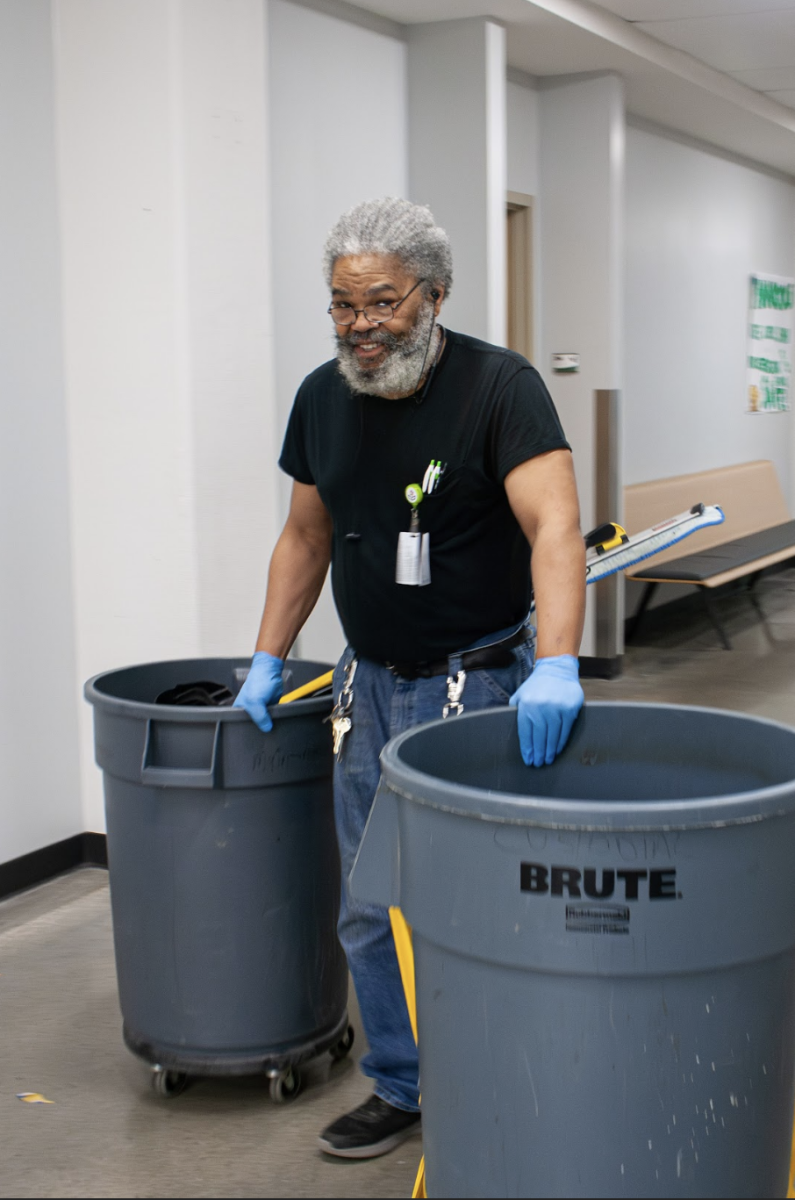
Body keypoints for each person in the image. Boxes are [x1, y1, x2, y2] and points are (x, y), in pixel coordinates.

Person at [234, 197, 585, 1159]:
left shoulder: (499, 388)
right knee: (371, 902)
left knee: (479, 903)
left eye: (381, 304)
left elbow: (554, 526)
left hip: (475, 687)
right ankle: (403, 1084)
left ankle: (505, 1069)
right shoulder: (322, 395)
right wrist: (267, 656)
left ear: (434, 295)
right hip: (370, 686)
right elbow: (305, 535)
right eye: (342, 307)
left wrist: (555, 664)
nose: (360, 327)